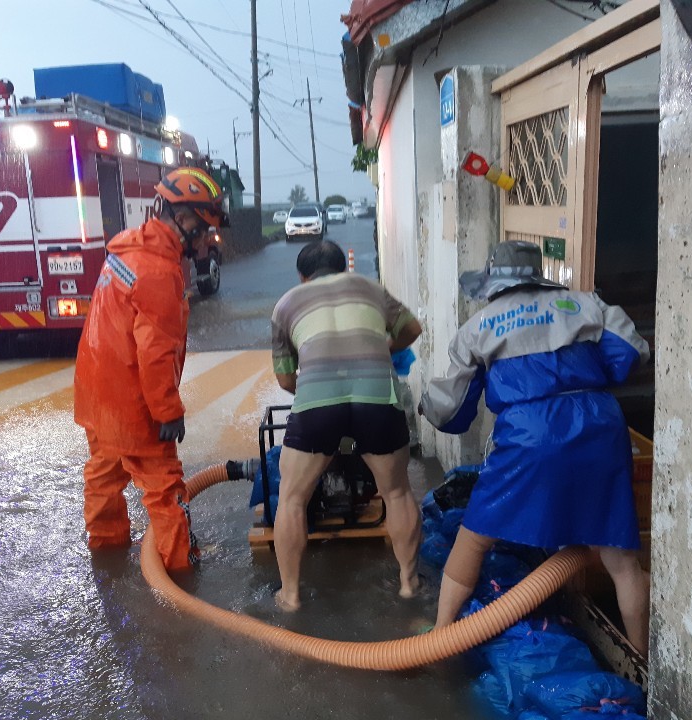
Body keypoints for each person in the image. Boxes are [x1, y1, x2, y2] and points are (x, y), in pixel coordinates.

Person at [419, 240, 651, 657]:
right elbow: (631, 353)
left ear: (492, 282)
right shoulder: (584, 304)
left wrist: (426, 405)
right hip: (600, 423)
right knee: (622, 561)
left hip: (530, 434)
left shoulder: (479, 327)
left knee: (474, 539)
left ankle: (440, 635)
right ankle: (643, 664)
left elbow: (451, 410)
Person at [74, 167, 226, 572]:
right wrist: (167, 411)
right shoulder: (159, 271)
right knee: (164, 489)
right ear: (186, 220)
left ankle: (106, 555)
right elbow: (155, 350)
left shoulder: (125, 252)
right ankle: (179, 573)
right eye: (205, 228)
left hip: (97, 397)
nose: (206, 240)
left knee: (104, 478)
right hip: (134, 403)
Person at [270, 240, 424, 611]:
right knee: (397, 493)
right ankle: (408, 583)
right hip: (376, 397)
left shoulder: (286, 303)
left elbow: (286, 380)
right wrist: (382, 347)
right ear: (343, 269)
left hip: (317, 402)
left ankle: (289, 596)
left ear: (303, 276)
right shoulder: (370, 288)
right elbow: (412, 329)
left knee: (292, 498)